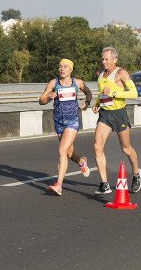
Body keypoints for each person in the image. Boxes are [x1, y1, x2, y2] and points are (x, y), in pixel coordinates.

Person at [38, 58, 94, 196]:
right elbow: (41, 101)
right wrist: (49, 97)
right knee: (68, 153)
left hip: (72, 121)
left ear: (71, 69)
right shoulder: (53, 83)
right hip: (58, 121)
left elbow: (89, 93)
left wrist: (86, 104)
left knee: (62, 150)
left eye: (65, 67)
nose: (62, 69)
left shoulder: (77, 82)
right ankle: (81, 161)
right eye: (60, 66)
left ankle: (59, 184)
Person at [92, 47, 141, 194]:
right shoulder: (100, 74)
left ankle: (136, 173)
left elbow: (134, 92)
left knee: (126, 148)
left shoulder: (121, 73)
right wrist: (96, 104)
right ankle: (104, 183)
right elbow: (101, 93)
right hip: (105, 114)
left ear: (115, 59)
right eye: (102, 59)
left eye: (107, 59)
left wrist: (114, 92)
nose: (104, 61)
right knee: (97, 146)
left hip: (119, 113)